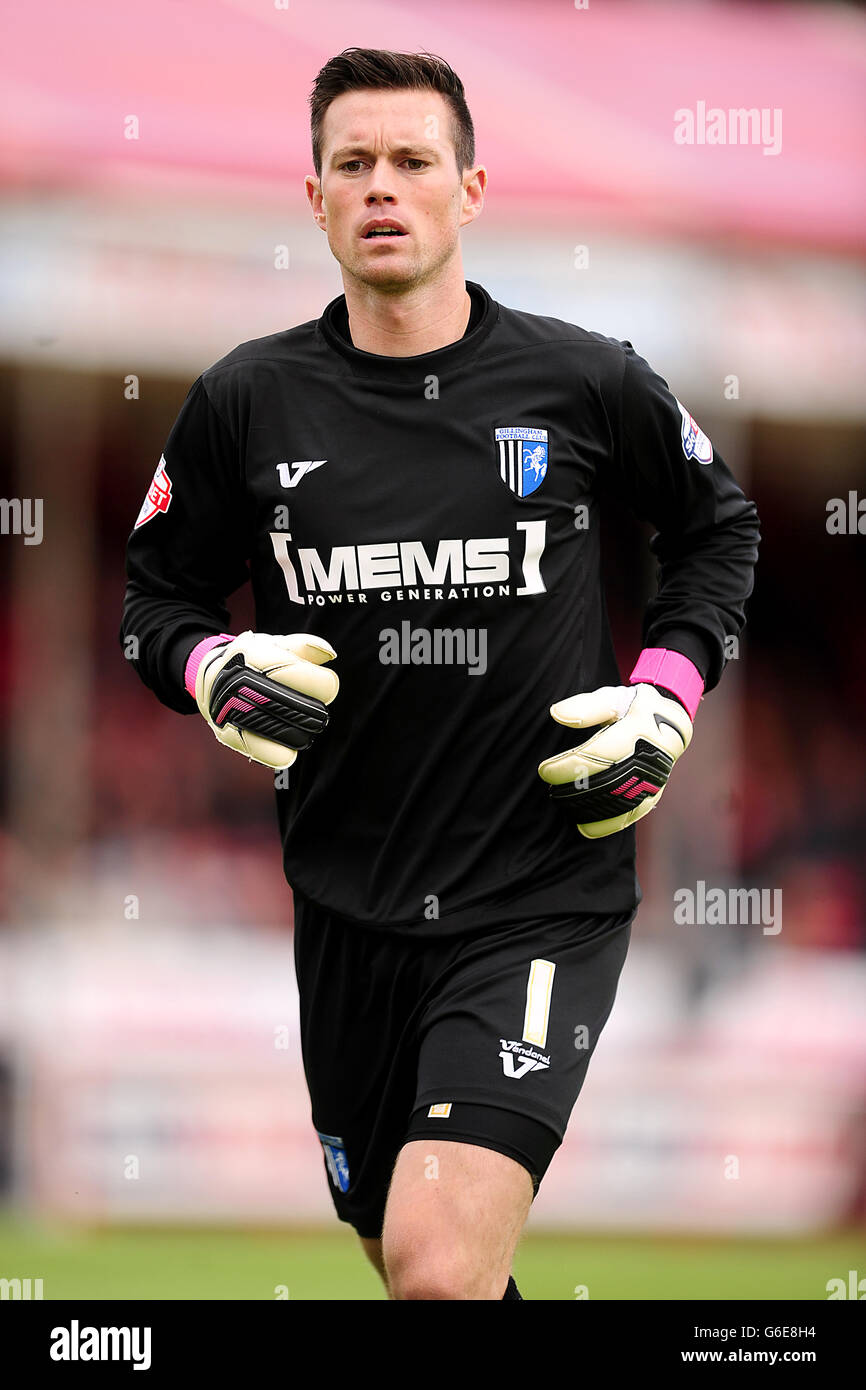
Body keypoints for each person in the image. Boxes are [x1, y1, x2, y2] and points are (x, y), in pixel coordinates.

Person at [120, 47, 760, 1300]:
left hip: (537, 898)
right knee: (401, 1259)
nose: (382, 187)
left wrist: (665, 695)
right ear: (313, 199)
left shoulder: (583, 381)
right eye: (352, 163)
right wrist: (208, 665)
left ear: (470, 190)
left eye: (413, 162)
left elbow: (716, 530)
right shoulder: (244, 402)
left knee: (432, 1270)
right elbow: (153, 598)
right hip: (345, 908)